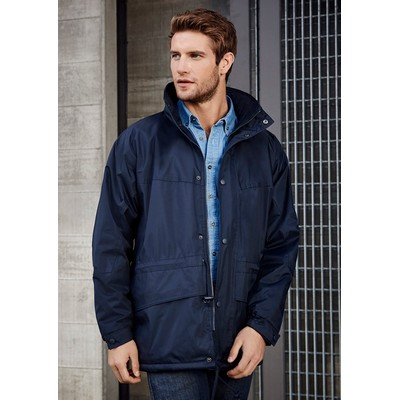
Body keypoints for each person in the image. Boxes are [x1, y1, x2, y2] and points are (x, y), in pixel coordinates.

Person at [92, 8, 299, 400]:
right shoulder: (139, 144)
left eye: (195, 56)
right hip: (169, 338)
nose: (180, 67)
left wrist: (260, 326)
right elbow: (110, 245)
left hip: (238, 341)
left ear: (225, 62)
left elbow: (280, 245)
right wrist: (117, 334)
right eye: (175, 55)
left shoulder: (264, 149)